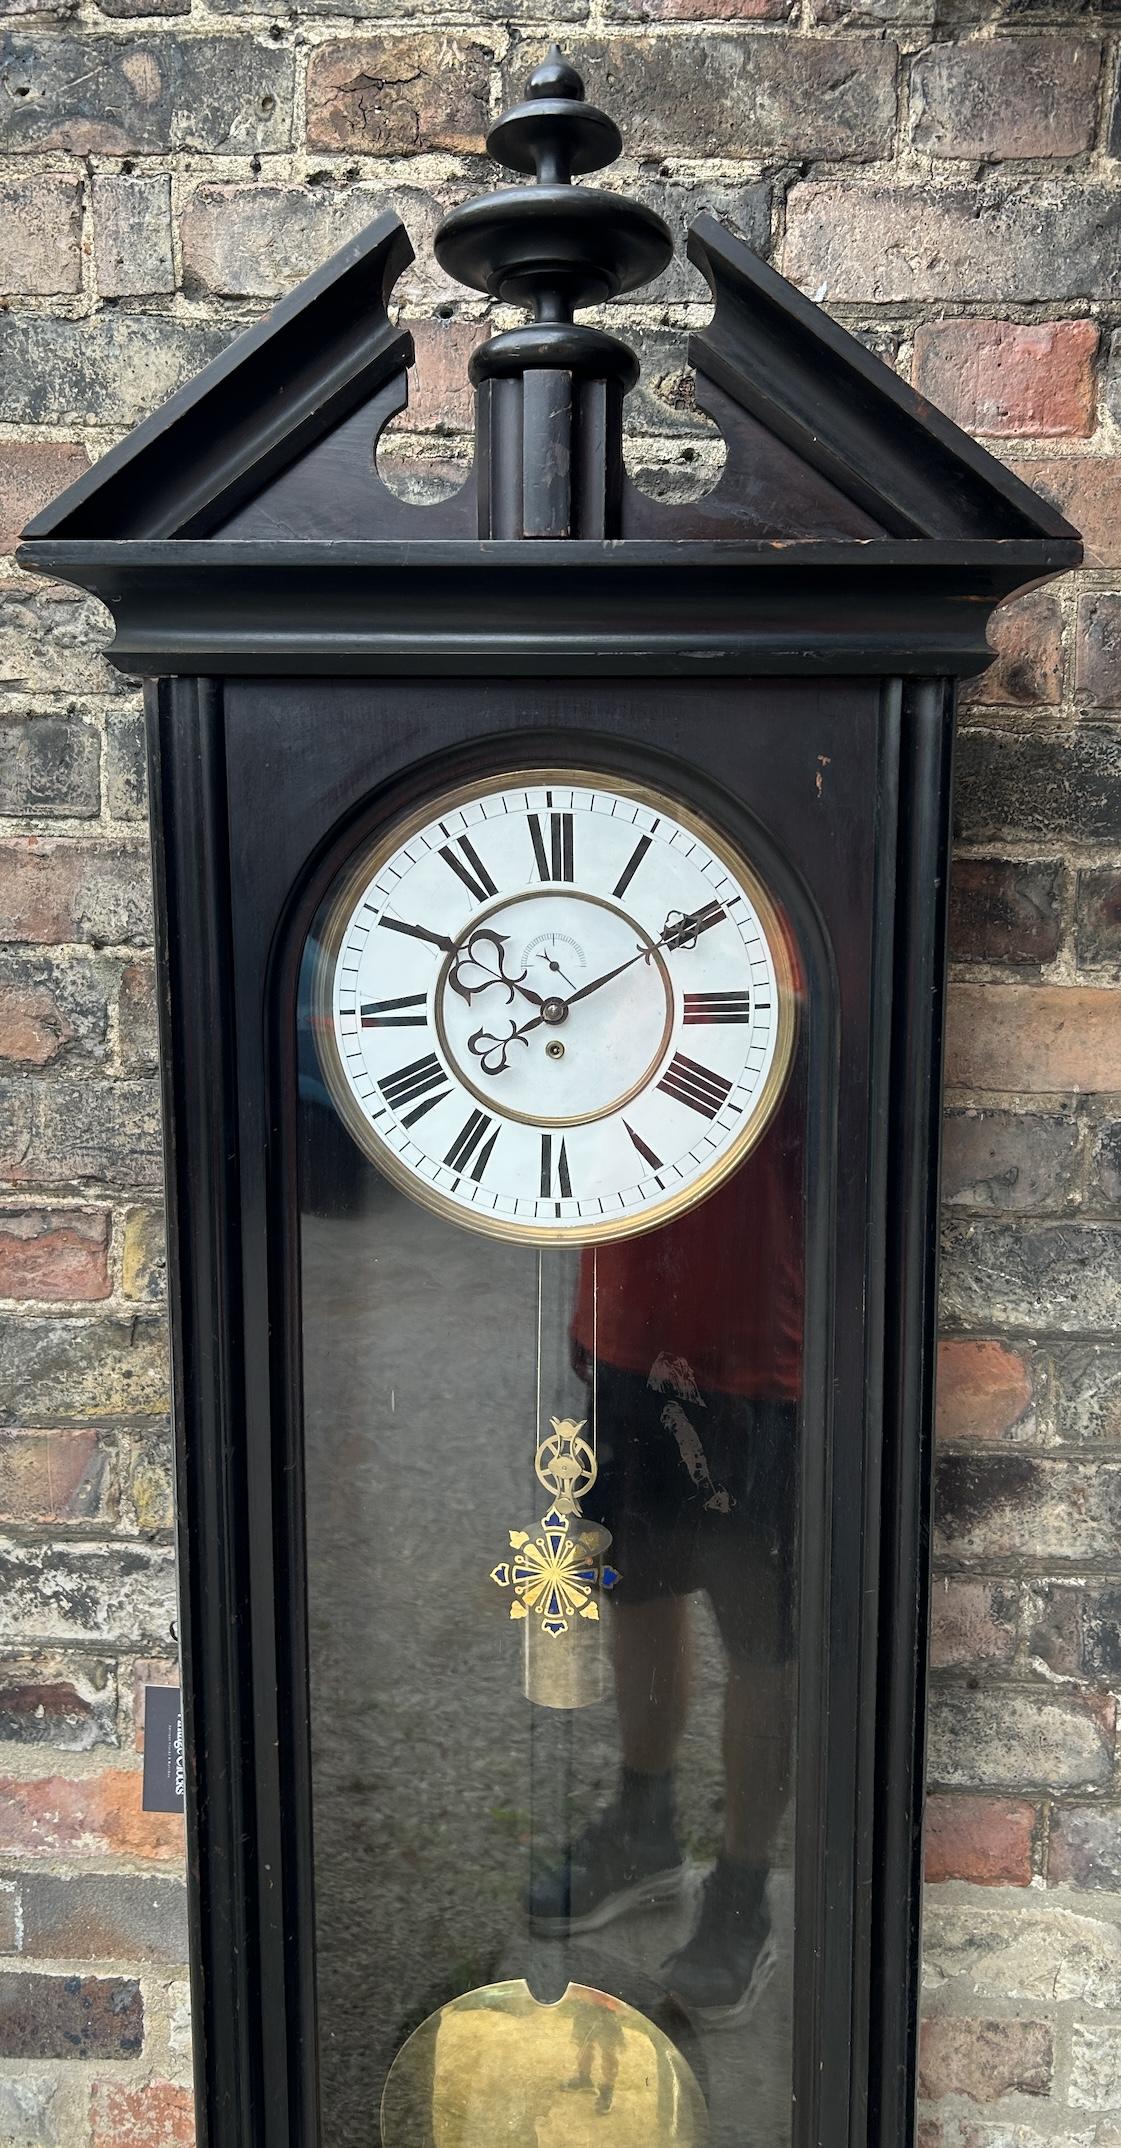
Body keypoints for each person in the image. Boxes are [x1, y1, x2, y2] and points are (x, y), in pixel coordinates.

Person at [529, 1069, 805, 2026]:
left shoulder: (791, 945)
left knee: (765, 1637)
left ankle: (741, 1888)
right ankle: (645, 1826)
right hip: (628, 1320)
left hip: (767, 1347)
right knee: (636, 1590)